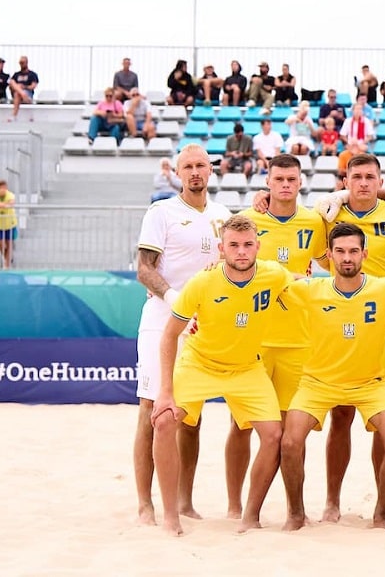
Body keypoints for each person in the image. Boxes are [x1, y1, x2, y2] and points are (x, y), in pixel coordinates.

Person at [151, 214, 294, 536]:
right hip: (200, 362)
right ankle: (171, 515)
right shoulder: (202, 282)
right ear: (221, 249)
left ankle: (250, 516)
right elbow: (169, 335)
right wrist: (165, 391)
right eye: (233, 245)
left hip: (246, 367)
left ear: (258, 246)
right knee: (163, 421)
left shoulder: (273, 274)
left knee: (273, 435)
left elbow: (298, 280)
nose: (241, 251)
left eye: (247, 245)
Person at [279, 223, 385, 530]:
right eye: (339, 252)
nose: (347, 258)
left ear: (365, 254)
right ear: (328, 256)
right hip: (317, 382)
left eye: (353, 251)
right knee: (289, 442)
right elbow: (264, 283)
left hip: (369, 382)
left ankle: (380, 515)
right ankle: (297, 514)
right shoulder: (310, 290)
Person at [133, 144, 231, 526]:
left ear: (211, 170)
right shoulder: (162, 212)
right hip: (163, 318)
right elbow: (144, 268)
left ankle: (184, 500)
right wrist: (176, 299)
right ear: (177, 173)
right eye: (187, 166)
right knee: (152, 410)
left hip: (205, 325)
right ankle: (145, 503)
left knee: (191, 417)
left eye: (200, 166)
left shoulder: (223, 216)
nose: (194, 172)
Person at [226, 154, 328, 518]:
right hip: (253, 340)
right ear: (267, 182)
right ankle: (235, 505)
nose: (285, 185)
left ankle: (291, 509)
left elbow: (329, 263)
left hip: (298, 340)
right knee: (240, 427)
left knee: (290, 434)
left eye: (291, 179)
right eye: (278, 179)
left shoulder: (315, 221)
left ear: (301, 182)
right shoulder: (248, 221)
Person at [8, 56, 39, 121]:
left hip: (28, 94)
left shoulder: (32, 74)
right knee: (13, 83)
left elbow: (33, 86)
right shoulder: (16, 74)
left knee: (18, 92)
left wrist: (23, 87)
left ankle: (14, 115)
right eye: (20, 63)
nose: (21, 64)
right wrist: (19, 87)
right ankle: (22, 94)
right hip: (19, 94)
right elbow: (11, 85)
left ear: (26, 62)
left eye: (22, 62)